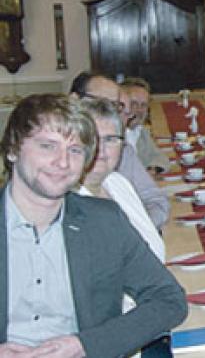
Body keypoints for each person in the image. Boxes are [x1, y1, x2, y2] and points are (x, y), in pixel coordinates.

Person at [0, 94, 187, 357]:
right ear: (12, 149)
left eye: (75, 150)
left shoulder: (104, 222)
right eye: (47, 146)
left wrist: (87, 345)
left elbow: (169, 300)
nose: (63, 162)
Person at [69, 71, 170, 229]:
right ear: (74, 101)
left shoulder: (121, 153)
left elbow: (156, 200)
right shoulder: (57, 168)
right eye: (101, 103)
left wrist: (139, 229)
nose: (111, 113)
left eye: (115, 106)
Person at [78, 97, 165, 261]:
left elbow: (152, 247)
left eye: (110, 139)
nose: (101, 150)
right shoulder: (70, 202)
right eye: (91, 139)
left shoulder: (117, 182)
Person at [120, 77, 169, 173]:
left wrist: (153, 169)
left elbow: (160, 157)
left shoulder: (141, 131)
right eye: (133, 104)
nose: (139, 110)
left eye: (143, 105)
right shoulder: (112, 137)